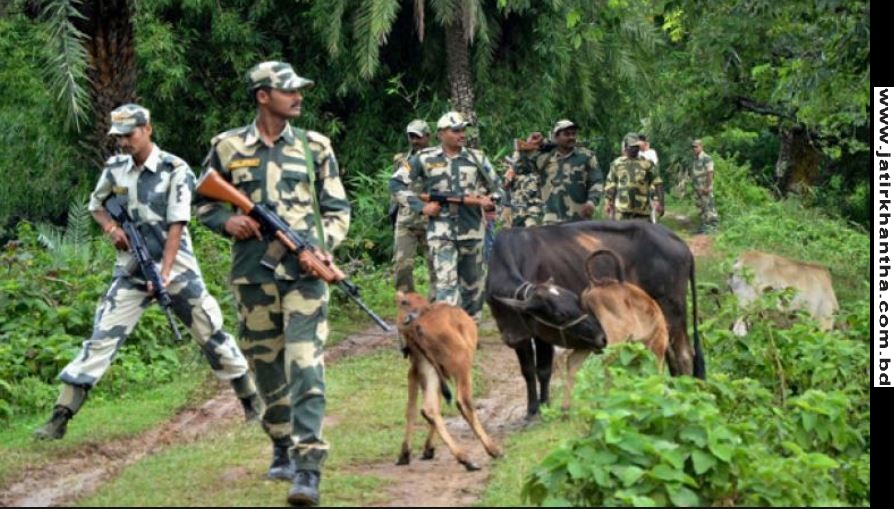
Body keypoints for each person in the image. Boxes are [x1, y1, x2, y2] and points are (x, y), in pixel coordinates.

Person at [34, 103, 260, 441]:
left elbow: (177, 227)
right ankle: (59, 417)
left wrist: (165, 275)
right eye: (119, 136)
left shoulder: (175, 169)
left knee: (211, 333)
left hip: (176, 269)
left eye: (130, 134)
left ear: (148, 129)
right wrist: (112, 230)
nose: (124, 142)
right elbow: (97, 206)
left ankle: (252, 402)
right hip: (131, 270)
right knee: (101, 338)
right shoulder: (115, 169)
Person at [196, 61, 350, 507]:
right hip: (253, 276)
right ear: (263, 95)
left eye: (300, 89)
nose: (298, 96)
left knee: (304, 364)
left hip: (304, 277)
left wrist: (323, 247)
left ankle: (308, 466)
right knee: (266, 367)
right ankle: (281, 442)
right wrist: (229, 221)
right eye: (288, 90)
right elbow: (203, 202)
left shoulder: (315, 146)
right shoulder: (227, 147)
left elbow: (337, 209)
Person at [391, 111, 502, 321]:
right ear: (441, 134)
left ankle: (470, 332)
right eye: (456, 130)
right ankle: (448, 335)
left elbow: (498, 188)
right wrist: (420, 207)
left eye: (463, 130)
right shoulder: (422, 158)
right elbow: (396, 183)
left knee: (473, 287)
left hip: (472, 231)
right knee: (446, 285)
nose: (462, 134)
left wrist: (490, 201)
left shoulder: (477, 158)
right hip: (440, 232)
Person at [515, 119, 603, 225]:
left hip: (579, 219)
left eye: (573, 134)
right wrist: (527, 149)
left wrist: (591, 202)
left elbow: (596, 181)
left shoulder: (587, 156)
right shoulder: (543, 157)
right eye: (566, 134)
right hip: (551, 221)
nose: (571, 137)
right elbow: (520, 169)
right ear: (555, 137)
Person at [390, 120, 436, 298]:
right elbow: (395, 188)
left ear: (428, 136)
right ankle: (408, 304)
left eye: (418, 137)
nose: (415, 141)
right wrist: (393, 214)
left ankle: (435, 306)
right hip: (406, 220)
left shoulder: (438, 159)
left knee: (436, 268)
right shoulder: (402, 160)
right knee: (402, 266)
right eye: (411, 137)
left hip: (432, 220)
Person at [604, 132, 664, 221]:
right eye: (631, 146)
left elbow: (658, 183)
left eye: (636, 146)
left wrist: (661, 203)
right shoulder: (617, 164)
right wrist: (608, 203)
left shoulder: (647, 163)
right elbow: (611, 185)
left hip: (642, 214)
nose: (634, 149)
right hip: (621, 213)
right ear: (625, 146)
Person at [690, 139, 719, 233]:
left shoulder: (706, 158)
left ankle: (714, 227)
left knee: (709, 207)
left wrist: (707, 187)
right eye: (693, 147)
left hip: (705, 188)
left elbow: (710, 173)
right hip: (698, 188)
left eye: (696, 146)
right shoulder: (695, 159)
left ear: (701, 146)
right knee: (702, 208)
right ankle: (704, 227)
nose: (694, 149)